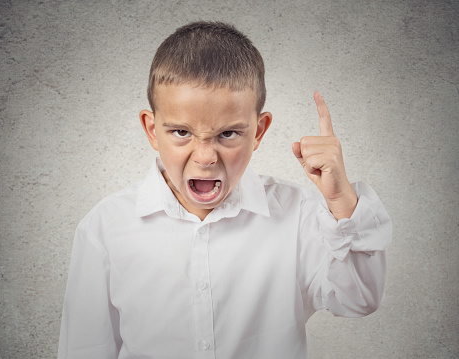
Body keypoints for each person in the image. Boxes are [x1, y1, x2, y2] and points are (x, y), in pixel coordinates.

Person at [58, 21, 392, 359]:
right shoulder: (105, 227)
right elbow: (85, 349)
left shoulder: (301, 215)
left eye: (228, 134)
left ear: (258, 131)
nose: (205, 157)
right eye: (180, 132)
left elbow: (359, 299)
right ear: (151, 129)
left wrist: (339, 200)